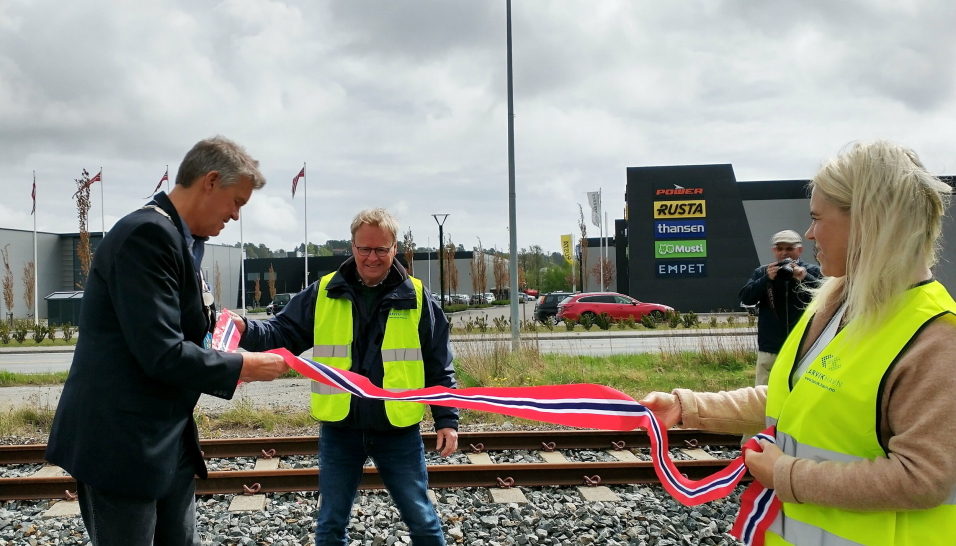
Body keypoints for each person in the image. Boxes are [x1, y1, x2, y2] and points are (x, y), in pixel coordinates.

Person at [642, 141, 956, 545]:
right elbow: (792, 399)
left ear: (870, 222)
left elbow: (922, 479)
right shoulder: (838, 304)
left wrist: (786, 475)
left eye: (816, 218)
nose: (808, 234)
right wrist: (689, 407)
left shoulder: (935, 339)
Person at [45, 136, 290, 546]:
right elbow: (161, 353)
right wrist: (244, 365)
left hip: (162, 439)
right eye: (237, 202)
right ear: (210, 181)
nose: (235, 214)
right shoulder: (147, 235)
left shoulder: (179, 239)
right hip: (122, 446)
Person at [232, 207, 459, 546]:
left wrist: (446, 419)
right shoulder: (323, 292)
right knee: (330, 526)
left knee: (423, 522)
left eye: (381, 249)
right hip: (341, 430)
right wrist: (244, 328)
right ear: (351, 247)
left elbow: (438, 362)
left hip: (397, 431)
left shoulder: (416, 296)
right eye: (364, 248)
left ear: (395, 248)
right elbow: (281, 332)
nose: (372, 257)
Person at [739, 230, 822, 386]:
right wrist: (766, 279)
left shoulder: (812, 271)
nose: (784, 253)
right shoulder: (763, 272)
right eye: (780, 248)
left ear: (800, 250)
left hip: (804, 346)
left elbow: (828, 297)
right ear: (774, 251)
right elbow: (746, 297)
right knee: (763, 394)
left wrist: (805, 278)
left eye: (789, 248)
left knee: (801, 390)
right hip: (771, 347)